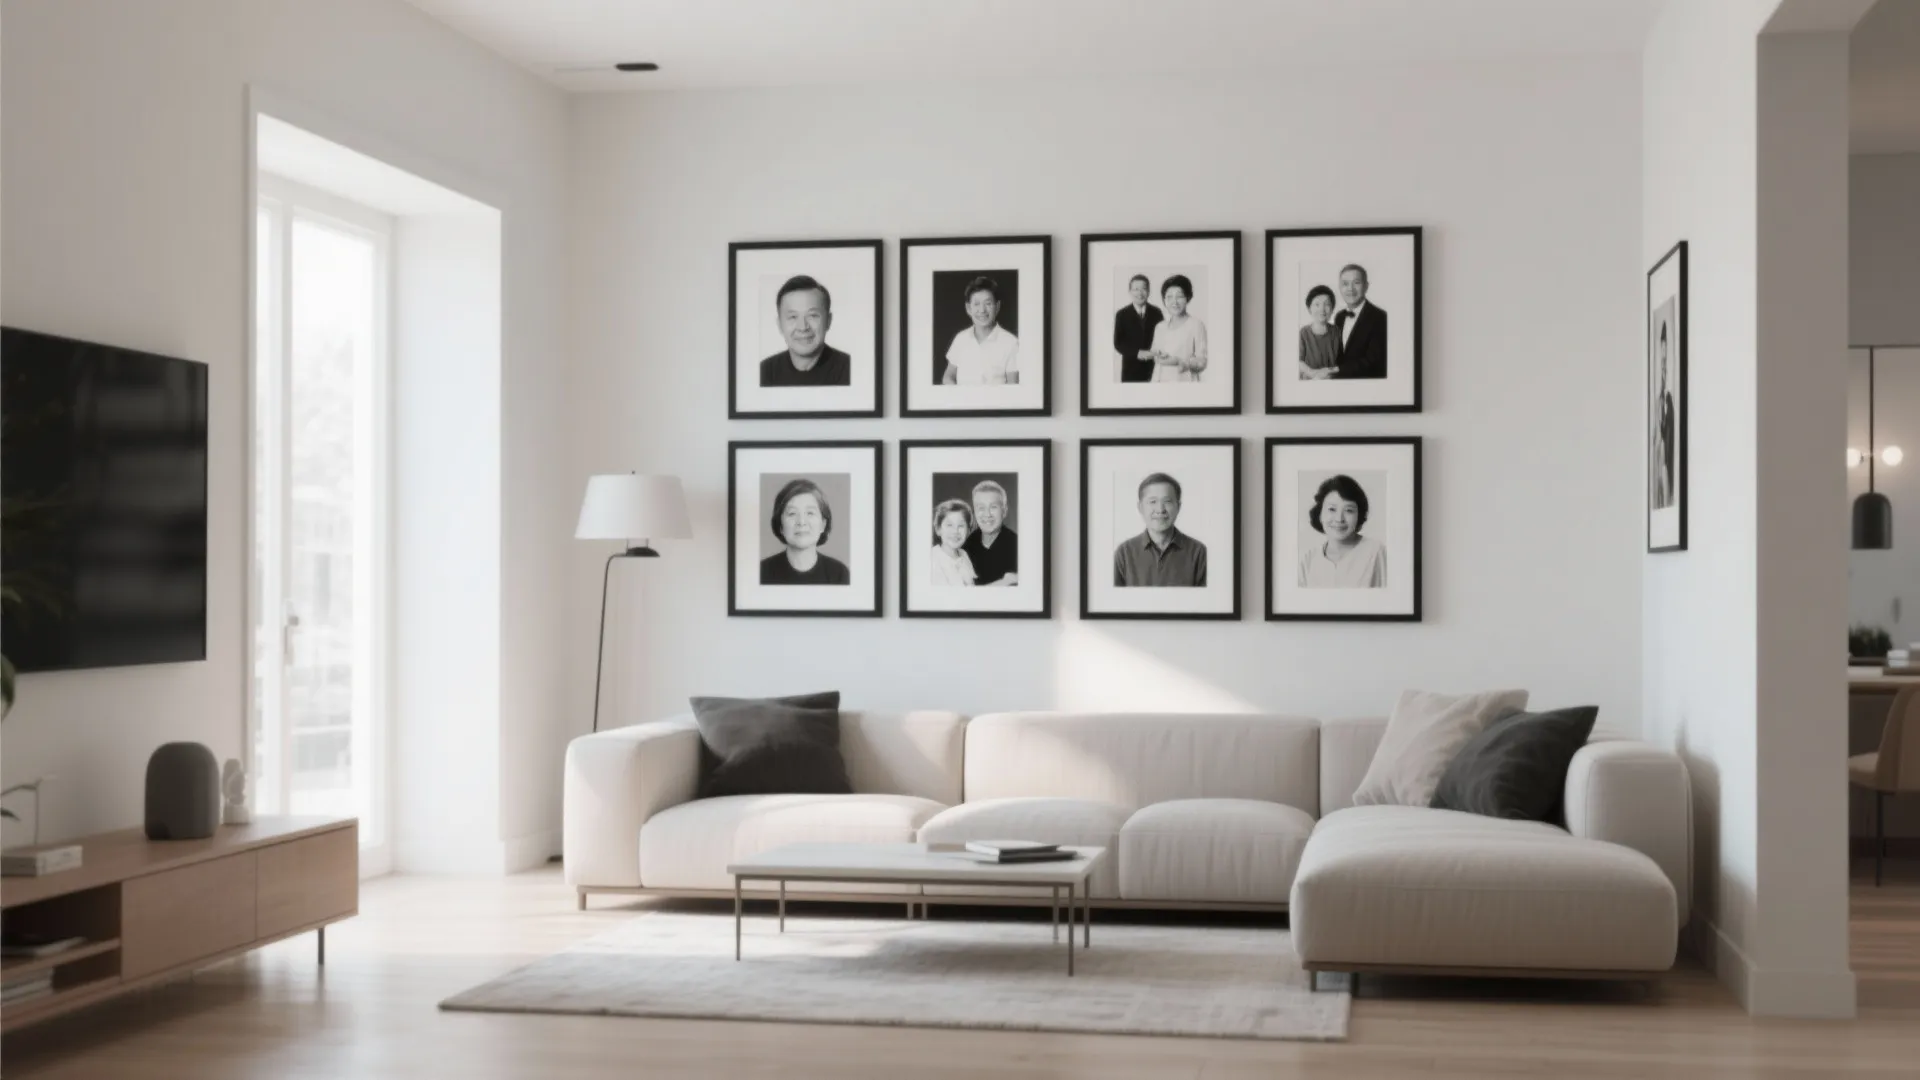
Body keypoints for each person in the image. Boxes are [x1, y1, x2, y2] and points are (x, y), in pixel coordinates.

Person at [1113, 473, 1208, 587]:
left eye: (1167, 501)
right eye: (1153, 501)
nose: (1160, 509)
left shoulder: (1199, 552)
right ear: (1140, 507)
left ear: (1178, 507)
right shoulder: (1124, 553)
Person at [759, 275, 851, 387]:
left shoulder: (850, 370)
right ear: (780, 324)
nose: (803, 327)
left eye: (812, 315)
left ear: (828, 320)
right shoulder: (765, 372)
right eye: (793, 317)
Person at [1298, 474, 1387, 588]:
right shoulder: (1308, 560)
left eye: (1349, 510)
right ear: (1320, 513)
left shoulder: (1376, 552)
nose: (1339, 519)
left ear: (1359, 515)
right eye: (1332, 509)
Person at [760, 478, 851, 585]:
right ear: (781, 526)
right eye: (792, 513)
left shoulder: (839, 574)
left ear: (823, 524)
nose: (802, 522)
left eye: (810, 513)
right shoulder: (761, 572)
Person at [943, 276, 1019, 385]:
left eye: (988, 303)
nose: (982, 310)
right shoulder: (960, 338)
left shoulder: (1011, 343)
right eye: (976, 304)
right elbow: (948, 376)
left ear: (997, 307)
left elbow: (1013, 386)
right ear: (968, 308)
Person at [1330, 264, 1387, 381]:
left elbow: (1373, 361)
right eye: (1345, 284)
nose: (1350, 288)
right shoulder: (1339, 317)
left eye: (1356, 283)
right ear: (1339, 287)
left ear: (1366, 286)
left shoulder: (1381, 317)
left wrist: (1335, 370)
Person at [1148, 274, 1208, 382]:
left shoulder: (1196, 325)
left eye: (1179, 296)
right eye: (1169, 297)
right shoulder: (1160, 327)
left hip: (1184, 382)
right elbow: (1154, 352)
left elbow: (1202, 362)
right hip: (1158, 382)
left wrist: (1181, 362)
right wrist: (1156, 355)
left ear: (1188, 298)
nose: (1174, 302)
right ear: (1164, 300)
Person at [961, 480, 1018, 586]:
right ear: (974, 512)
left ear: (1004, 511)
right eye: (981, 508)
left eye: (993, 507)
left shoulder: (1018, 547)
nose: (987, 514)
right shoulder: (966, 547)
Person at [1111, 274, 1164, 383]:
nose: (1140, 293)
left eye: (1144, 289)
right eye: (1136, 289)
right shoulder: (1122, 314)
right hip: (1131, 370)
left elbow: (1164, 337)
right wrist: (1137, 353)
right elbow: (1118, 343)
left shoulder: (1157, 312)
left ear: (1149, 291)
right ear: (1130, 292)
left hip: (1154, 368)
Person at [1652, 321, 1676, 509]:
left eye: (1665, 356)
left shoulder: (1668, 400)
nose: (1663, 364)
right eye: (1662, 355)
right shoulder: (1659, 401)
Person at [929, 499, 978, 587]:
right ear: (938, 529)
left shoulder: (963, 554)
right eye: (949, 525)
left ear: (968, 531)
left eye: (961, 526)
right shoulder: (933, 558)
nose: (955, 531)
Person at [1297, 284, 1340, 380]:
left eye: (1327, 304)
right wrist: (1313, 373)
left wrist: (1329, 372)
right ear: (1309, 308)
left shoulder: (1336, 331)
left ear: (1332, 309)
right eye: (1317, 304)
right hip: (1310, 379)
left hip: (1332, 379)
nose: (1322, 309)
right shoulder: (1303, 333)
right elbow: (1298, 361)